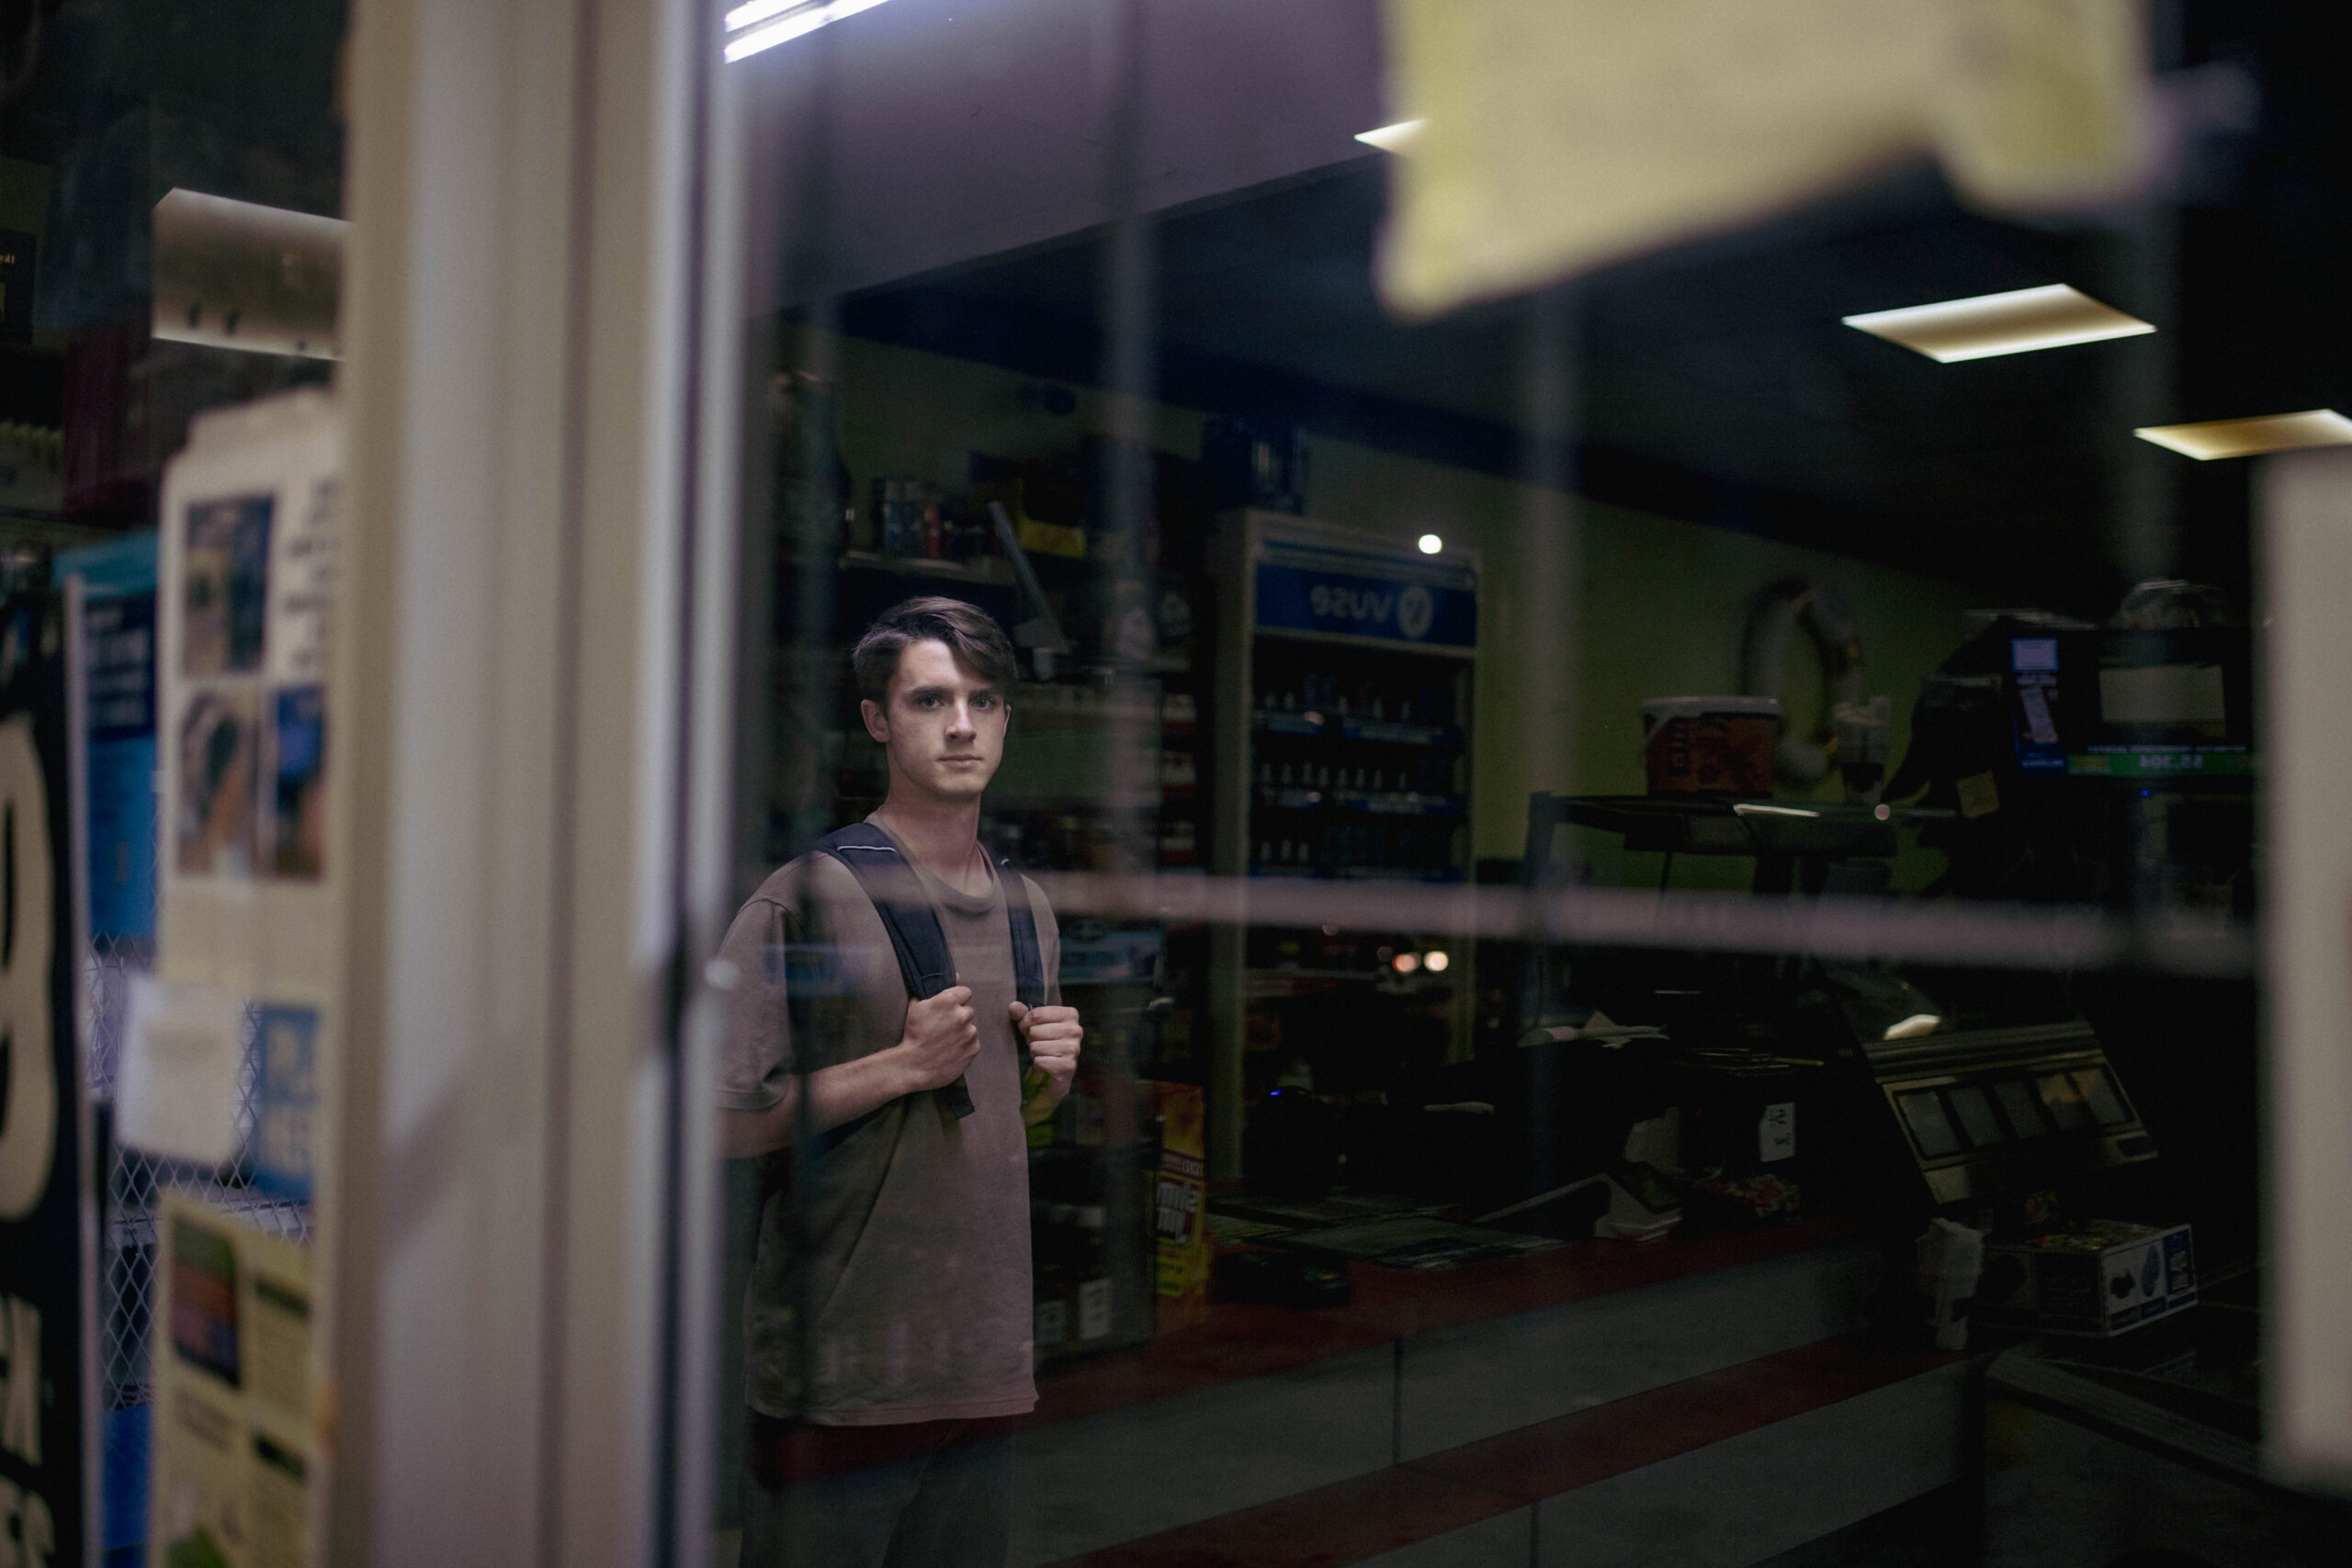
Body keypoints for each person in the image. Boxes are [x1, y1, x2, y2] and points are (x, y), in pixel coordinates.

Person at [715, 596, 1083, 1568]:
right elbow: (712, 1122)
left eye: (983, 700)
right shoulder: (809, 897)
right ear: (878, 719)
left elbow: (1004, 1120)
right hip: (839, 1379)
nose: (962, 725)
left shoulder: (1028, 907)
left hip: (981, 1372)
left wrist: (1051, 1080)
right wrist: (898, 1067)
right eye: (930, 700)